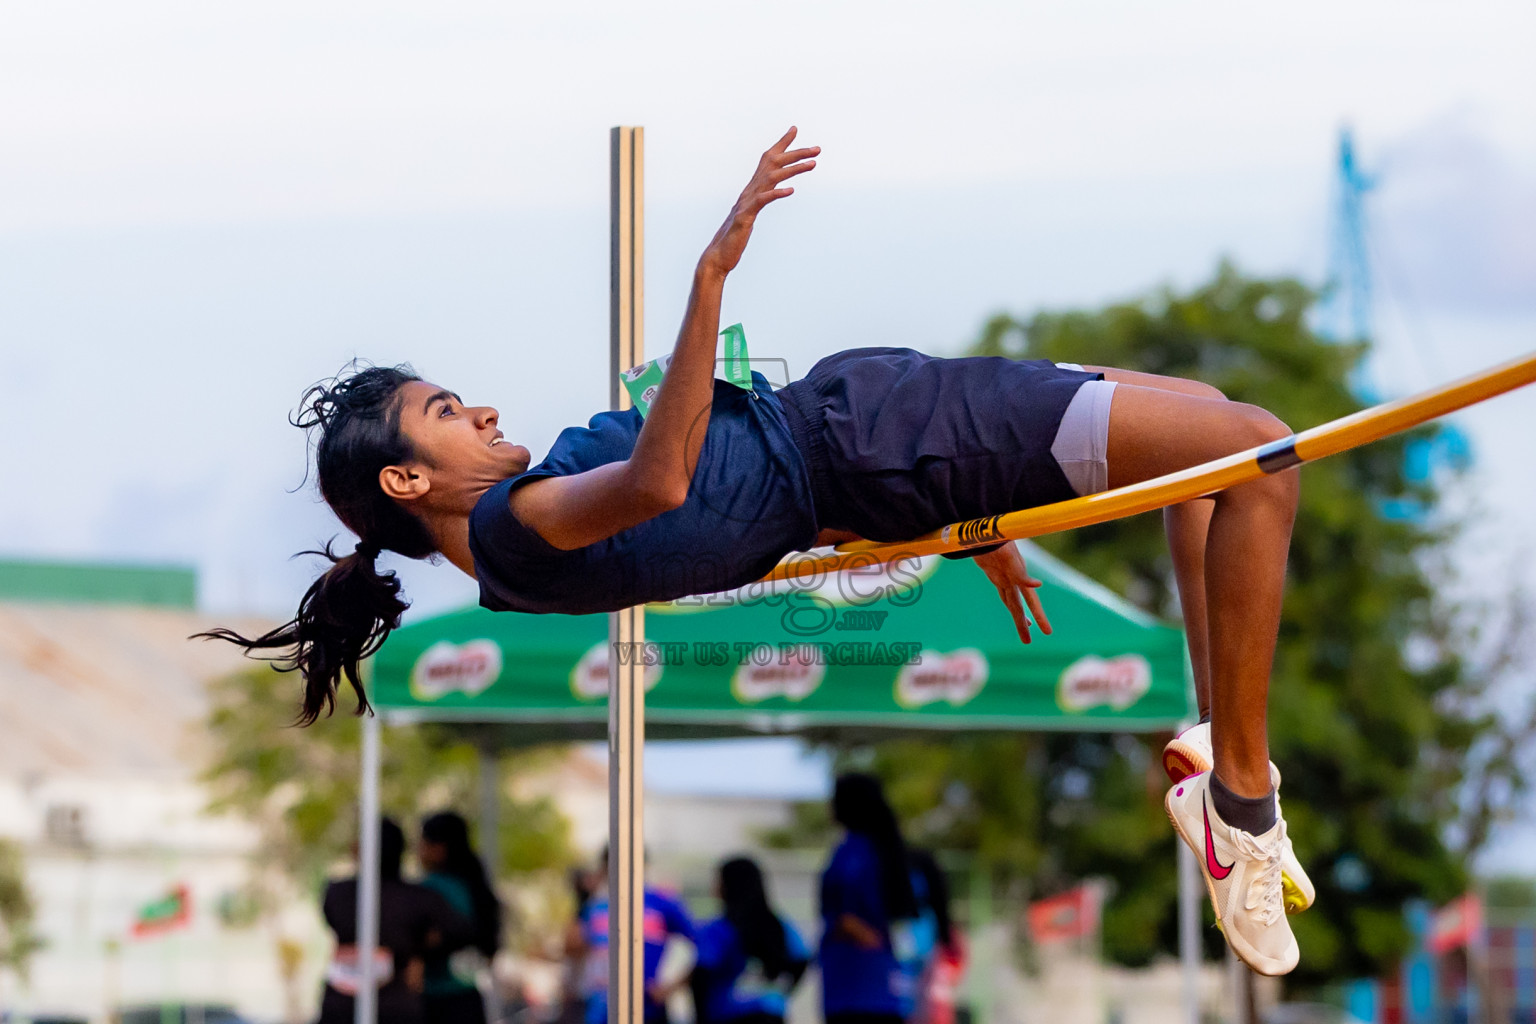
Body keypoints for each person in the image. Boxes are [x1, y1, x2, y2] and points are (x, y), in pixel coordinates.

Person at [204, 127, 1311, 975]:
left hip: (876, 440)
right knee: (1259, 453)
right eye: (449, 412)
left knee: (1210, 436)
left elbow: (751, 513)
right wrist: (709, 277)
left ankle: (1219, 752)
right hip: (889, 434)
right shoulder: (511, 532)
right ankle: (1245, 804)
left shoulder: (514, 556)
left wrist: (965, 537)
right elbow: (666, 480)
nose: (482, 409)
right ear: (409, 480)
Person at [318, 817, 474, 1024]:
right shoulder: (419, 898)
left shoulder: (337, 892)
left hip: (343, 1001)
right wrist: (421, 951)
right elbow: (460, 931)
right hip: (396, 1002)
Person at [818, 773, 924, 1024]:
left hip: (853, 985)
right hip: (891, 986)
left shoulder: (851, 854)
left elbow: (846, 916)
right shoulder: (891, 852)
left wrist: (861, 934)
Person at [565, 848, 696, 1024]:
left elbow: (702, 948)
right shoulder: (596, 906)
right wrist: (582, 899)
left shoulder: (661, 903)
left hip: (646, 1008)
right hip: (600, 1010)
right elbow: (572, 948)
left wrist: (669, 988)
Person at [689, 857, 810, 1024]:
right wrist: (781, 990)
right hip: (771, 1012)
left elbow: (702, 974)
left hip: (728, 1013)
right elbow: (802, 959)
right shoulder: (779, 925)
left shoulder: (720, 928)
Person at [418, 811, 503, 1024]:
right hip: (469, 995)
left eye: (422, 844)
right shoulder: (475, 886)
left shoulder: (432, 888)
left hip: (436, 997)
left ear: (438, 848)